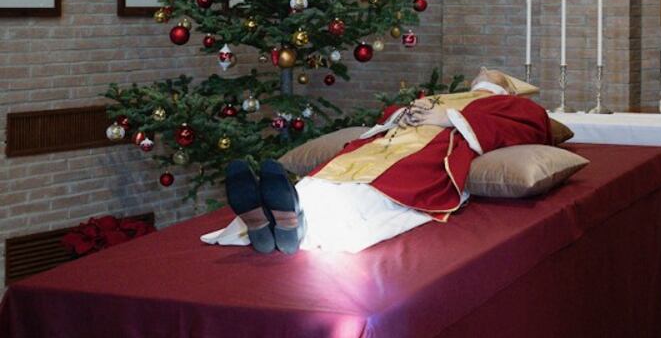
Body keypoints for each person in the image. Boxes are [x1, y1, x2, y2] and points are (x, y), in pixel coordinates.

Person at [216, 70, 551, 254]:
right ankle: (276, 217)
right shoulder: (443, 96)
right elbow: (390, 113)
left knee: (377, 185)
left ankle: (289, 223)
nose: (481, 72)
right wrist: (403, 113)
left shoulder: (513, 106)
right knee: (334, 171)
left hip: (435, 146)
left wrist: (448, 117)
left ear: (504, 85)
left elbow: (533, 128)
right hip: (387, 141)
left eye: (489, 71)